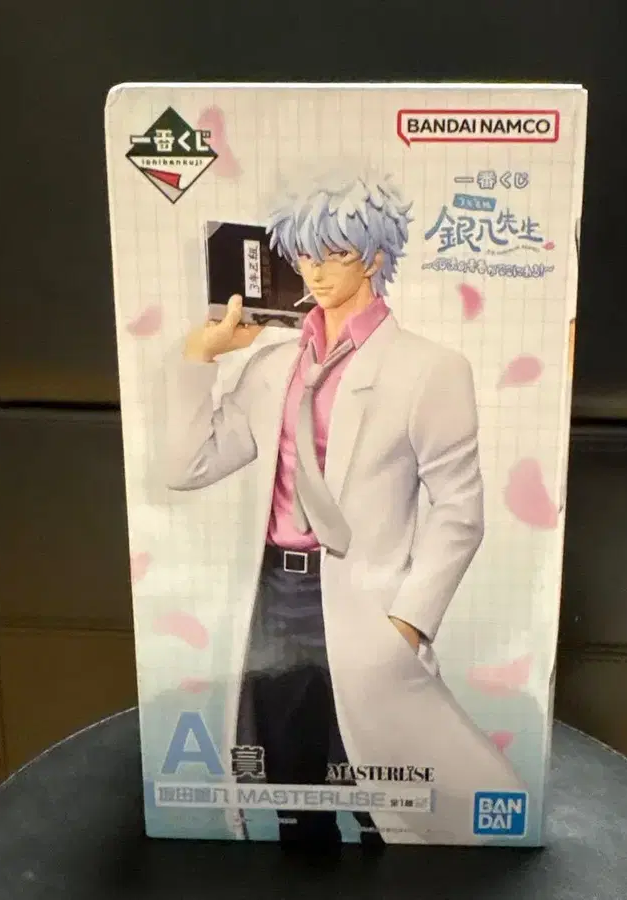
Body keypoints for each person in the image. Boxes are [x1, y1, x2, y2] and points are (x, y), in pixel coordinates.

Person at [165, 166, 523, 848]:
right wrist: (198, 358)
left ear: (377, 256)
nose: (317, 271)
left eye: (337, 253)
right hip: (275, 596)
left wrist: (409, 622)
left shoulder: (429, 368)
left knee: (380, 792)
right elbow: (188, 467)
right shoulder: (272, 367)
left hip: (366, 604)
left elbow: (459, 510)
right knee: (292, 787)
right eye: (305, 253)